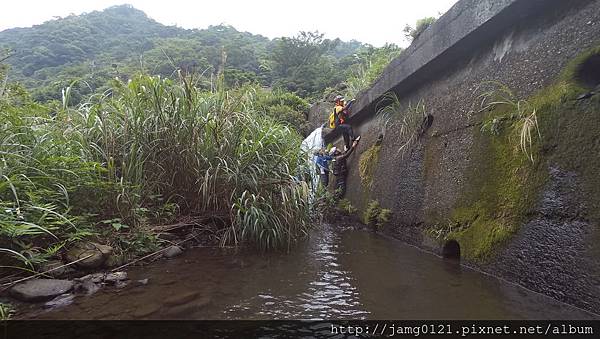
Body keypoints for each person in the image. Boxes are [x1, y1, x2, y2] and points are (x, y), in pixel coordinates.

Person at [331, 136, 361, 200]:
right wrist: (353, 146)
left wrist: (345, 150)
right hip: (341, 174)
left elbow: (343, 155)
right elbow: (346, 155)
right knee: (342, 186)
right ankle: (339, 198)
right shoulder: (339, 158)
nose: (338, 148)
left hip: (338, 173)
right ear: (336, 152)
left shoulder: (336, 158)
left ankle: (335, 197)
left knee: (337, 185)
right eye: (337, 149)